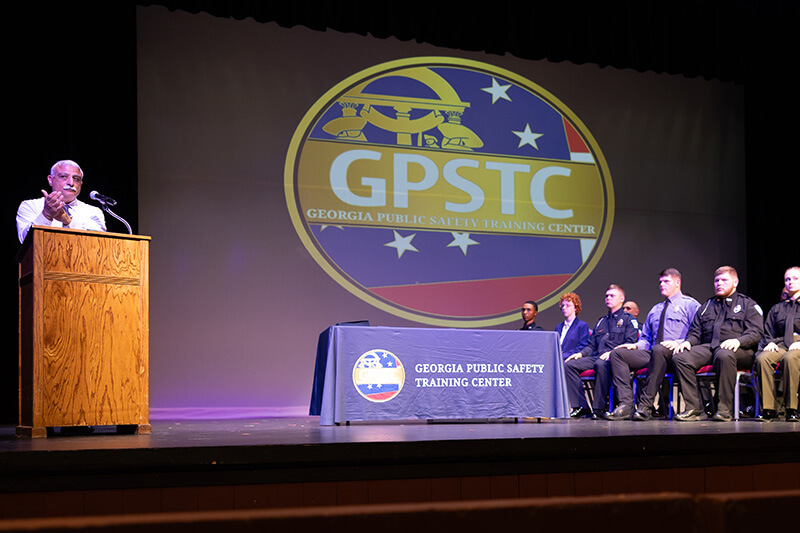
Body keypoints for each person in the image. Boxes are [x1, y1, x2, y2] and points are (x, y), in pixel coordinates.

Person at [605, 268, 700, 420]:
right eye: (660, 282)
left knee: (659, 350)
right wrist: (636, 346)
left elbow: (698, 333)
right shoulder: (656, 309)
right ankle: (626, 405)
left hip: (676, 354)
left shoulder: (690, 305)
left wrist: (679, 342)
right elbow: (646, 338)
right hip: (654, 353)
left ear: (678, 282)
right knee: (618, 354)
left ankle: (645, 406)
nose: (662, 284)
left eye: (666, 281)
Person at [672, 266, 763, 422]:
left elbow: (756, 333)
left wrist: (738, 341)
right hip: (711, 347)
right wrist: (688, 342)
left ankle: (724, 409)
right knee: (680, 357)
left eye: (724, 280)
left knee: (724, 355)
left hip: (740, 350)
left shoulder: (747, 304)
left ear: (735, 282)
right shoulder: (707, 306)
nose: (719, 283)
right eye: (716, 280)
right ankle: (695, 408)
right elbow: (695, 332)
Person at [564, 284, 639, 419]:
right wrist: (581, 354)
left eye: (612, 296)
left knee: (601, 364)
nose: (608, 298)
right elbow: (591, 345)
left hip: (615, 359)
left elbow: (630, 343)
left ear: (621, 299)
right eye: (606, 296)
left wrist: (612, 353)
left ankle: (599, 408)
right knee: (569, 365)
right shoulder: (601, 321)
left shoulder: (629, 319)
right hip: (597, 356)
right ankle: (581, 406)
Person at [16, 160, 106, 243]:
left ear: (81, 184)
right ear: (50, 180)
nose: (71, 183)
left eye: (76, 178)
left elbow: (100, 243)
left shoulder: (94, 212)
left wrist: (69, 221)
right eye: (63, 177)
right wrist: (46, 215)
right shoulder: (30, 206)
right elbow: (25, 241)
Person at [755, 266, 800, 422]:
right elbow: (768, 332)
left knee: (790, 358)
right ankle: (768, 409)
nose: (790, 282)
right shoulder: (777, 308)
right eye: (787, 279)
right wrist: (769, 343)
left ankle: (791, 409)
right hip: (781, 344)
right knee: (763, 359)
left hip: (798, 345)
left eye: (795, 278)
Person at [555, 293, 590, 360]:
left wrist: (563, 355)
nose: (564, 308)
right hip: (558, 359)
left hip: (571, 359)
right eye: (563, 305)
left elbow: (582, 347)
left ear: (575, 308)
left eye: (568, 305)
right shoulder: (558, 327)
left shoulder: (582, 326)